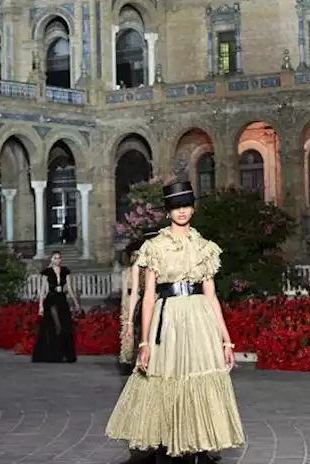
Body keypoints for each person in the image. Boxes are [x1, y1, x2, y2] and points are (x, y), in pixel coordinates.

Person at [105, 180, 245, 463]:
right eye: (175, 206)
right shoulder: (154, 246)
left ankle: (200, 444)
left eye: (186, 205)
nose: (182, 211)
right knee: (166, 378)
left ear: (192, 208)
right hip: (166, 318)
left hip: (199, 319)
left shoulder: (204, 246)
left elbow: (212, 296)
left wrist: (226, 340)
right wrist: (144, 341)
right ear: (167, 211)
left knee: (200, 379)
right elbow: (148, 298)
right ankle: (168, 444)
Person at [119, 228, 162, 374]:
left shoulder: (166, 260)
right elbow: (134, 293)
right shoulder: (138, 266)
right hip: (147, 303)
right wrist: (129, 321)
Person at [32, 251, 80, 363]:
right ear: (51, 259)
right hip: (51, 298)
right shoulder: (47, 272)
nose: (57, 260)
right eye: (55, 258)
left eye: (59, 258)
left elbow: (70, 288)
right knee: (53, 326)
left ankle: (63, 353)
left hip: (62, 298)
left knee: (65, 326)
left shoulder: (65, 271)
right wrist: (40, 306)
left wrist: (75, 302)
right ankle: (51, 354)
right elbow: (43, 290)